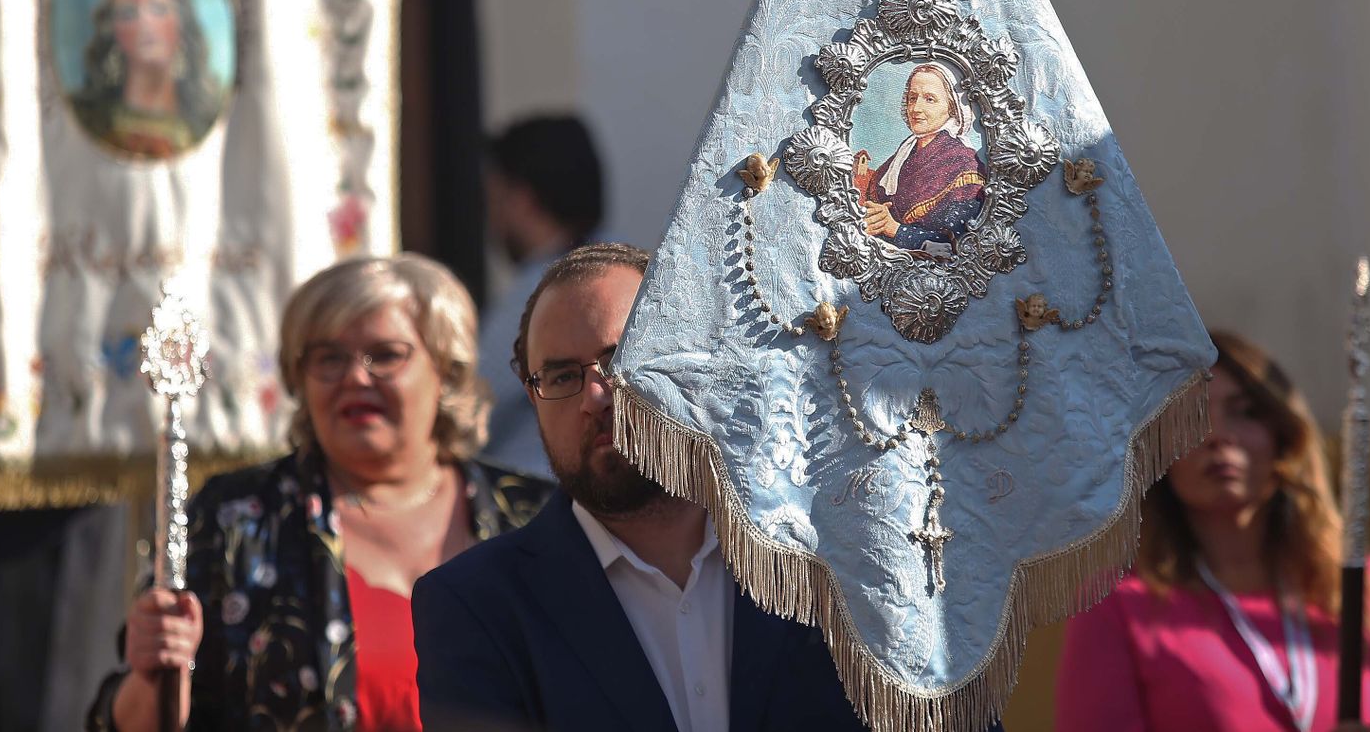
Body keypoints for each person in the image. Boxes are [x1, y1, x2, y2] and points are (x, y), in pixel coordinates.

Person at [412, 243, 873, 732]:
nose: (595, 397)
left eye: (620, 358)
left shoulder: (826, 568)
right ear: (533, 396)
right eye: (563, 375)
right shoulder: (477, 606)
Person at [87, 254, 552, 732]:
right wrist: (155, 675)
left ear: (445, 371)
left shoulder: (538, 518)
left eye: (386, 354)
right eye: (329, 358)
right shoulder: (235, 522)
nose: (355, 376)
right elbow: (125, 721)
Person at [1053, 330, 1370, 732]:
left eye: (1245, 412)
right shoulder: (1118, 607)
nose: (1218, 436)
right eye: (1191, 418)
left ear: (1283, 438)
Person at [477, 114, 606, 477]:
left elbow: (472, 405)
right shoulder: (628, 275)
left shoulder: (541, 294)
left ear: (521, 198)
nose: (491, 216)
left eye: (494, 197)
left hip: (535, 493)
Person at [73, 0, 227, 159]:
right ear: (114, 32)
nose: (145, 22)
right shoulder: (92, 120)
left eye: (158, 8)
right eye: (128, 13)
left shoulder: (203, 120)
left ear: (181, 23)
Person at [855, 62, 986, 252]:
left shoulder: (964, 163)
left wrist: (896, 230)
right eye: (912, 98)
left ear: (952, 107)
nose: (916, 108)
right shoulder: (900, 157)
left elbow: (962, 242)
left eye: (929, 99)